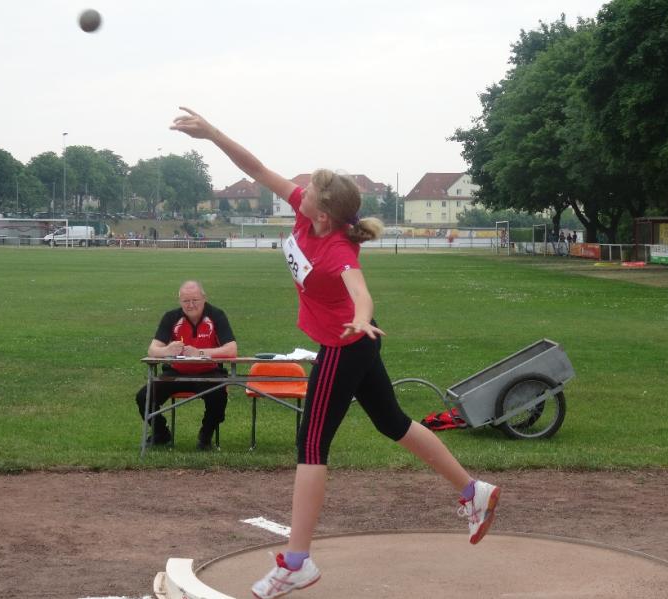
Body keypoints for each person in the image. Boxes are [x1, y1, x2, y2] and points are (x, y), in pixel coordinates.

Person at [171, 108, 501, 598]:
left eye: (309, 191)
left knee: (311, 444)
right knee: (392, 422)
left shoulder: (338, 250)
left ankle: (297, 562)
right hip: (356, 342)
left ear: (323, 215)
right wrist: (213, 133)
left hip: (346, 345)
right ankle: (474, 491)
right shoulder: (307, 211)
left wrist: (362, 317)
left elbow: (360, 290)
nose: (298, 191)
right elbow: (256, 169)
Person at [135, 280, 237, 450]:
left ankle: (205, 436)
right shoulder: (171, 317)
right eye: (186, 301)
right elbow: (152, 350)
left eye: (195, 300)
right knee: (144, 396)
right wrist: (167, 350)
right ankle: (161, 434)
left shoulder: (217, 315)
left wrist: (201, 353)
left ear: (204, 298)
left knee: (219, 396)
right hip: (176, 372)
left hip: (208, 372)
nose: (190, 305)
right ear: (179, 301)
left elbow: (232, 349)